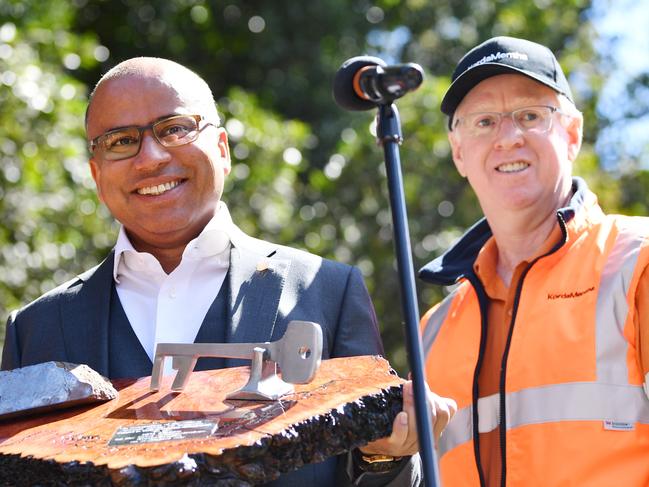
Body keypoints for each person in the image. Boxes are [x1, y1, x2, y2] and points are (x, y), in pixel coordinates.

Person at [1, 57, 455, 486]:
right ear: (97, 176)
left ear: (222, 149)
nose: (151, 157)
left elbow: (379, 471)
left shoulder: (329, 293)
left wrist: (386, 454)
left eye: (175, 128)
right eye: (121, 141)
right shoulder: (35, 330)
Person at [419, 36, 649, 486]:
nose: (508, 138)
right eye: (484, 122)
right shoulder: (432, 328)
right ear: (459, 152)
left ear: (572, 134)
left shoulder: (637, 260)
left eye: (529, 116)